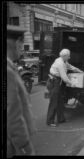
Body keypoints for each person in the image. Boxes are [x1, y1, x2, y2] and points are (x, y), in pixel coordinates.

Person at [7, 25, 36, 157]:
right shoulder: (7, 71)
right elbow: (12, 115)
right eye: (22, 44)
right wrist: (25, 147)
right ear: (17, 42)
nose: (21, 49)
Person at [46, 48, 83, 127]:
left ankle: (61, 119)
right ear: (65, 56)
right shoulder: (60, 63)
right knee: (54, 102)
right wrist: (72, 83)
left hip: (56, 82)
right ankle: (49, 121)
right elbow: (64, 77)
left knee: (59, 101)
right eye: (68, 56)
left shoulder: (63, 60)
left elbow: (70, 67)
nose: (69, 57)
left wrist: (80, 71)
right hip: (54, 82)